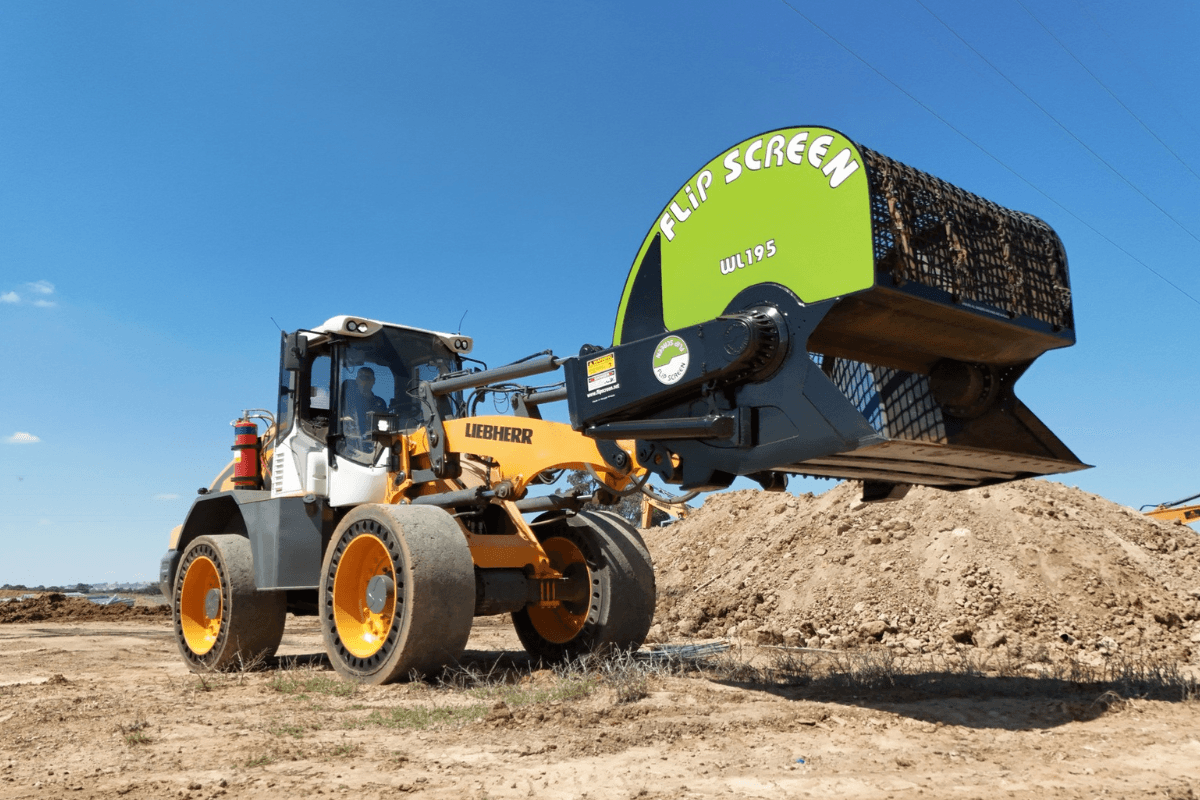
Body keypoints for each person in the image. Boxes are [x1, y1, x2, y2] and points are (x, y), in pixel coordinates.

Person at [343, 366, 387, 440]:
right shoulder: (347, 401)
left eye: (368, 377)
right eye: (362, 377)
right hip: (351, 441)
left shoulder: (381, 403)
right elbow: (338, 420)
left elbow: (385, 425)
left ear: (374, 380)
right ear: (356, 380)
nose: (365, 380)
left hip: (376, 442)